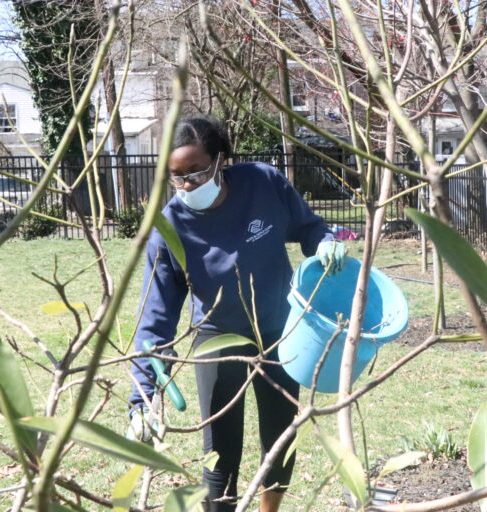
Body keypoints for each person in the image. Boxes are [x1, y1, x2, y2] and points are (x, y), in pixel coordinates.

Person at [127, 116, 346, 512]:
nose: (186, 185)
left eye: (195, 172)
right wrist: (142, 397)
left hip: (279, 331)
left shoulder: (263, 183)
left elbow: (308, 228)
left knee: (280, 438)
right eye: (176, 177)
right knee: (220, 451)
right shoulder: (169, 229)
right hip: (218, 335)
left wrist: (326, 242)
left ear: (220, 161)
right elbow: (155, 318)